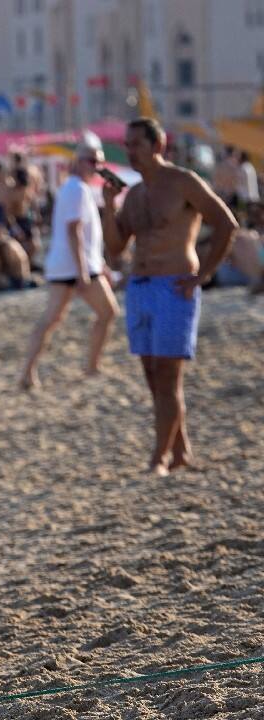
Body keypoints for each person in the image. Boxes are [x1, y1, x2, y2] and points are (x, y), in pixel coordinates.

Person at [102, 118, 238, 476]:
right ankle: (180, 451)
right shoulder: (134, 194)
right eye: (127, 145)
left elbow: (226, 223)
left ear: (157, 146)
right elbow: (116, 249)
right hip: (141, 287)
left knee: (167, 376)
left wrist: (203, 274)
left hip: (174, 285)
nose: (130, 151)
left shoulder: (182, 182)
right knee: (152, 375)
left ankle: (158, 459)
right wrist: (107, 206)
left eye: (136, 144)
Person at [20, 142, 119, 389]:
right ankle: (90, 367)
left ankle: (29, 372)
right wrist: (84, 271)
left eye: (99, 161)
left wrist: (100, 264)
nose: (96, 166)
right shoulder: (76, 189)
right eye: (92, 161)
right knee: (106, 313)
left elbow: (84, 235)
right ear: (78, 161)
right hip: (73, 266)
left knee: (53, 319)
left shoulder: (77, 188)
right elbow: (73, 231)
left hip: (72, 265)